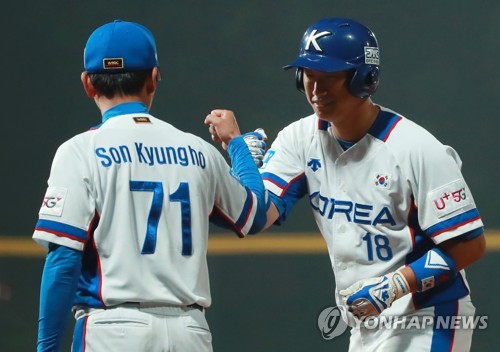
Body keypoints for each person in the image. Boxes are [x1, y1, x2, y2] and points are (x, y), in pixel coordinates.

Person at [213, 17, 486, 351]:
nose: (316, 90)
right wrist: (241, 157)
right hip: (366, 323)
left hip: (429, 315)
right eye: (308, 76)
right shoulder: (299, 139)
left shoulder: (416, 148)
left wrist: (394, 285)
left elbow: (469, 245)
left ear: (365, 79)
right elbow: (254, 216)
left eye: (328, 78)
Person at [32, 19, 268, 352]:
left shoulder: (79, 151)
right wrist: (238, 147)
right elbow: (255, 214)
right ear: (153, 78)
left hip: (112, 330)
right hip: (191, 332)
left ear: (88, 84)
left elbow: (63, 262)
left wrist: (47, 348)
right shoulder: (197, 151)